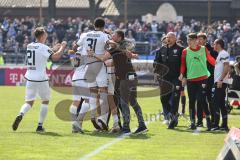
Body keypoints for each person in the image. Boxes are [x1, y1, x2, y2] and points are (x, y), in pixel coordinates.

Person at [88, 30, 148, 135]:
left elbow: (128, 52)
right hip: (123, 78)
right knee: (131, 102)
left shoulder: (125, 44)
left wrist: (131, 54)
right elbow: (104, 59)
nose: (112, 36)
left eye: (114, 35)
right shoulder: (113, 48)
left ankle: (126, 127)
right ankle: (141, 125)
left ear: (119, 37)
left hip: (128, 77)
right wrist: (94, 55)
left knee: (125, 102)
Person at [12, 27, 67, 132]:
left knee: (29, 102)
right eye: (45, 34)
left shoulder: (30, 45)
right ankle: (40, 126)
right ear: (42, 36)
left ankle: (20, 114)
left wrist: (53, 48)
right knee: (45, 101)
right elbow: (55, 57)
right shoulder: (43, 47)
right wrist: (62, 47)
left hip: (30, 77)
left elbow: (42, 51)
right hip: (41, 78)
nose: (47, 35)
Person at [72, 17, 110, 131]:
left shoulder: (84, 37)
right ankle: (100, 119)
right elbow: (109, 46)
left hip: (81, 73)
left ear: (94, 25)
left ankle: (78, 123)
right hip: (96, 66)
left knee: (82, 100)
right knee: (102, 93)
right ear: (103, 27)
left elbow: (74, 48)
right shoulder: (103, 36)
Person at [179, 33, 215, 130]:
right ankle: (192, 123)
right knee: (191, 101)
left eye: (190, 40)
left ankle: (208, 121)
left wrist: (219, 65)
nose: (189, 42)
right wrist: (182, 74)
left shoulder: (204, 49)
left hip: (203, 78)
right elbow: (183, 65)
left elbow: (210, 59)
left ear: (196, 40)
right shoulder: (185, 51)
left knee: (202, 100)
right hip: (191, 80)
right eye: (188, 40)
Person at [153, 32, 184, 129]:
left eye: (170, 37)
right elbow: (156, 62)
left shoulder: (180, 50)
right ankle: (172, 115)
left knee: (175, 99)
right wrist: (157, 71)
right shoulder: (161, 50)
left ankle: (173, 120)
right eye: (167, 37)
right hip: (164, 79)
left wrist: (183, 76)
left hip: (176, 78)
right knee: (163, 99)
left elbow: (184, 64)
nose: (168, 39)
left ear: (175, 38)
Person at [197, 33, 218, 126]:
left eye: (200, 39)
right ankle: (199, 121)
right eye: (198, 39)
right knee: (199, 99)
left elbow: (215, 64)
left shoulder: (212, 51)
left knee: (210, 100)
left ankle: (213, 120)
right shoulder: (195, 50)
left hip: (210, 78)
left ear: (205, 39)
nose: (199, 41)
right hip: (198, 78)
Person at [211, 39, 230, 131]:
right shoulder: (221, 54)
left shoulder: (223, 53)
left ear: (218, 45)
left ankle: (215, 124)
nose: (213, 45)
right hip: (220, 81)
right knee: (221, 104)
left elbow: (227, 66)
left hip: (220, 82)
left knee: (215, 103)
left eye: (214, 44)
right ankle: (224, 125)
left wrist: (221, 80)